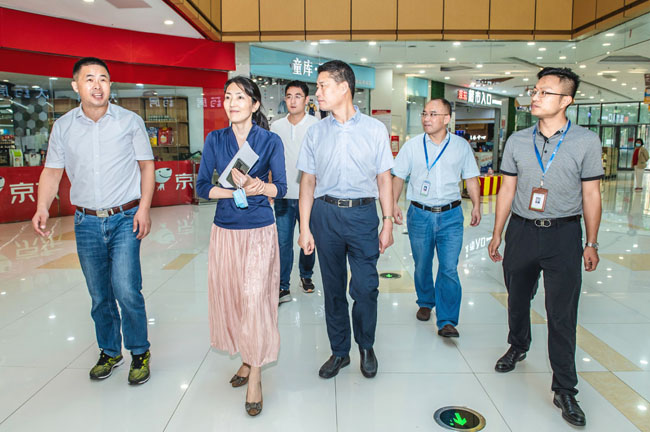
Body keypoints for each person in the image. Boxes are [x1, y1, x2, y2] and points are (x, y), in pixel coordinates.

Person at [487, 67, 603, 427]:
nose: (535, 97)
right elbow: (507, 189)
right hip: (521, 231)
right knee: (517, 297)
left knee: (562, 313)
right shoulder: (518, 140)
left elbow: (591, 194)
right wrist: (497, 232)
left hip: (563, 234)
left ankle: (565, 388)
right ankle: (518, 345)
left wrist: (591, 242)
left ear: (566, 100)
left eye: (544, 92)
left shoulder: (586, 141)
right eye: (534, 91)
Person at [32, 57, 154, 385]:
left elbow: (146, 166)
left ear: (110, 85)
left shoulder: (129, 121)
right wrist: (42, 206)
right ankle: (110, 351)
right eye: (89, 79)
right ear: (76, 86)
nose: (97, 85)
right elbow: (52, 171)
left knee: (127, 288)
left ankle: (139, 351)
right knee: (99, 293)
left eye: (103, 78)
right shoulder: (63, 127)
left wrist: (144, 208)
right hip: (85, 222)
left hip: (125, 217)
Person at [297, 60, 394, 380]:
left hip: (363, 215)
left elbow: (384, 178)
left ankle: (366, 345)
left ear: (344, 87)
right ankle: (340, 351)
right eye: (317, 86)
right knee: (334, 287)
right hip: (325, 214)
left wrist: (388, 221)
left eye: (323, 85)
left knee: (366, 287)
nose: (317, 92)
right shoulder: (315, 132)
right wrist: (305, 227)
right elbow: (307, 182)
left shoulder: (374, 130)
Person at [196, 76, 287, 417]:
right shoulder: (215, 139)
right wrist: (235, 191)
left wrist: (258, 186)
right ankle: (248, 359)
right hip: (225, 231)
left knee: (256, 301)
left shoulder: (269, 141)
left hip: (259, 230)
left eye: (239, 97)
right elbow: (202, 187)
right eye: (227, 97)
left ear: (255, 104)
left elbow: (281, 188)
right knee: (234, 299)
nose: (232, 103)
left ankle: (256, 375)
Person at [391, 98, 481, 338]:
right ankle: (425, 300)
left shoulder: (461, 146)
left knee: (449, 267)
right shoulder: (412, 146)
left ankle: (447, 320)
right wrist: (392, 204)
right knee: (422, 264)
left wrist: (477, 205)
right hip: (420, 214)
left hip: (451, 215)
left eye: (432, 114)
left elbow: (471, 177)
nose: (426, 118)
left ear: (446, 118)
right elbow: (398, 177)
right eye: (424, 114)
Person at [270, 81, 320, 304]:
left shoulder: (316, 125)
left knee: (308, 238)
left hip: (309, 196)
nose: (292, 100)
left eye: (298, 96)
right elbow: (270, 158)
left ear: (306, 100)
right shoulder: (276, 126)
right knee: (283, 243)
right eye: (289, 96)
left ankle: (306, 275)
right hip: (283, 194)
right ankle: (283, 285)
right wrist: (270, 186)